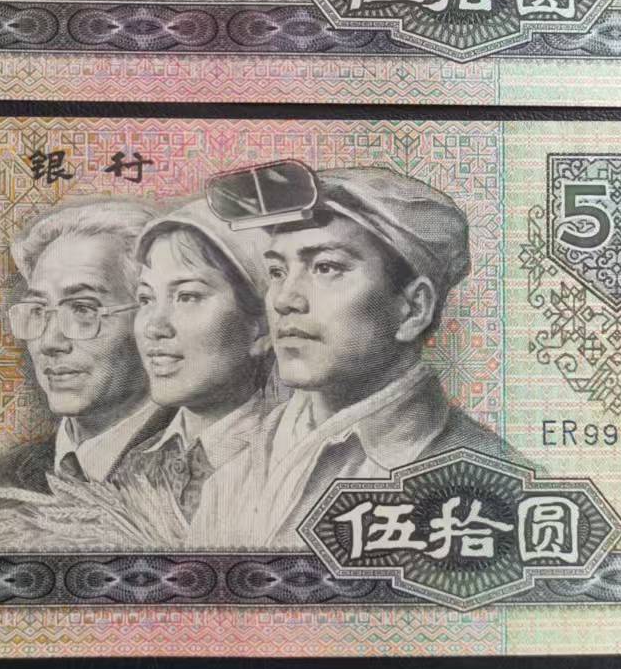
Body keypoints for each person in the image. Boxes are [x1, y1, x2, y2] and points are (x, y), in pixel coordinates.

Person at [199, 161, 522, 545]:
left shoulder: (492, 485)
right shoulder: (235, 465)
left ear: (413, 308)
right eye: (277, 272)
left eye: (326, 267)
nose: (285, 299)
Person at [0, 198, 166, 531]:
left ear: (152, 319)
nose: (49, 342)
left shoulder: (207, 477)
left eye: (84, 309)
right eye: (38, 311)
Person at [108, 196, 273, 538]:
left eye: (188, 296)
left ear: (261, 328)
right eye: (146, 299)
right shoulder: (134, 465)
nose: (154, 326)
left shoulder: (288, 459)